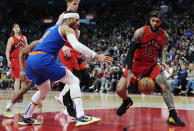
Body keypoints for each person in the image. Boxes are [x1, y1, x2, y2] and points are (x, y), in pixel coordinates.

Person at [18, 11, 112, 126]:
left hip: (32, 60)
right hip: (42, 58)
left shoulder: (52, 29)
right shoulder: (67, 28)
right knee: (74, 80)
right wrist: (96, 55)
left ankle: (26, 117)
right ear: (68, 19)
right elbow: (76, 45)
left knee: (45, 89)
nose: (79, 23)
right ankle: (80, 116)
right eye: (76, 20)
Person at [2, 0, 80, 118]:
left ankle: (31, 110)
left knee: (45, 87)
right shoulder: (37, 43)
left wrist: (52, 76)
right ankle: (8, 107)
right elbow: (22, 52)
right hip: (29, 64)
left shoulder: (52, 46)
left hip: (40, 65)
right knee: (25, 88)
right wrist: (22, 70)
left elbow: (50, 62)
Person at [116, 11, 185, 126]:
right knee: (119, 89)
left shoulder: (164, 36)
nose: (155, 23)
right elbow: (130, 52)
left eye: (157, 21)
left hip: (151, 64)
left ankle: (173, 115)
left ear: (161, 22)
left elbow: (160, 50)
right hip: (136, 64)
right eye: (153, 20)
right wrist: (129, 71)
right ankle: (127, 100)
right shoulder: (140, 32)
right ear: (150, 20)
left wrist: (162, 60)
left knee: (165, 85)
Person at [3, 23, 28, 117]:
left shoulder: (24, 38)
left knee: (24, 78)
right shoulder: (11, 39)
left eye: (18, 26)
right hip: (14, 60)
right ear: (13, 29)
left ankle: (20, 95)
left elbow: (27, 47)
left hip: (23, 59)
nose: (17, 28)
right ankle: (17, 95)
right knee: (17, 78)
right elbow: (7, 51)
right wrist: (8, 60)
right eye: (15, 27)